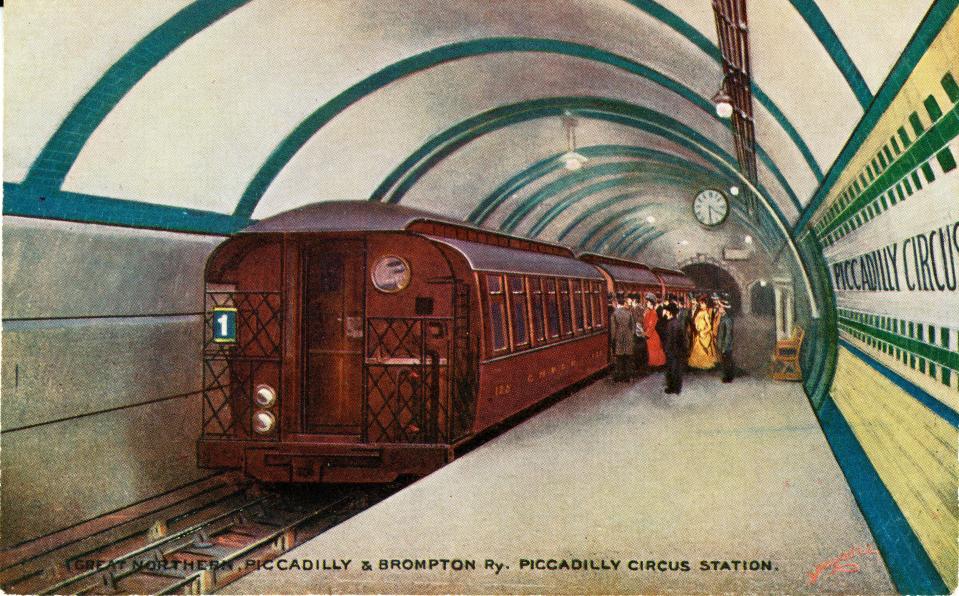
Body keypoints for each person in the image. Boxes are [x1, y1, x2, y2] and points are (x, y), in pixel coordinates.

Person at [609, 293, 636, 382]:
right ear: (623, 303)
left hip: (619, 338)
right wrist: (631, 335)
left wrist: (613, 339)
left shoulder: (614, 314)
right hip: (628, 338)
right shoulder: (629, 313)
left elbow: (613, 329)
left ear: (617, 303)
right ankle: (628, 377)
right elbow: (633, 326)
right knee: (628, 358)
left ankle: (620, 377)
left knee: (620, 359)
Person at [688, 294, 719, 370]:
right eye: (700, 304)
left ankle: (703, 365)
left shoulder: (706, 314)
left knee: (704, 351)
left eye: (703, 304)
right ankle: (697, 365)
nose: (701, 305)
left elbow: (709, 326)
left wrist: (703, 332)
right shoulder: (699, 313)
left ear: (706, 305)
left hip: (704, 335)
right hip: (698, 334)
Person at [662, 303, 686, 394]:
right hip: (675, 351)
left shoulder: (672, 324)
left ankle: (673, 388)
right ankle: (675, 388)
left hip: (673, 351)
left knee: (673, 370)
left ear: (670, 313)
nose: (665, 313)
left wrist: (667, 350)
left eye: (667, 311)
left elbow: (673, 339)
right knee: (674, 370)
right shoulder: (675, 322)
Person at [643, 292, 666, 368]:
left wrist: (646, 334)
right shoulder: (648, 311)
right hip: (649, 333)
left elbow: (651, 325)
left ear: (651, 303)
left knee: (653, 351)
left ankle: (655, 365)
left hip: (652, 335)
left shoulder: (653, 313)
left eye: (648, 302)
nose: (647, 304)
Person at [715, 298, 735, 382]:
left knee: (727, 362)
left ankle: (728, 377)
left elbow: (728, 335)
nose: (719, 309)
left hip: (726, 346)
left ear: (724, 309)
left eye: (720, 307)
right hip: (723, 345)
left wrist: (724, 347)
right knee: (724, 361)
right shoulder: (723, 318)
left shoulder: (727, 320)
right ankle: (726, 376)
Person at [628, 293, 648, 377]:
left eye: (629, 299)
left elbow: (638, 322)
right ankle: (641, 370)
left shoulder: (636, 309)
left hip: (638, 334)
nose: (628, 301)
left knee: (637, 353)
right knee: (640, 353)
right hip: (640, 334)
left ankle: (639, 371)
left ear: (634, 300)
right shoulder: (641, 308)